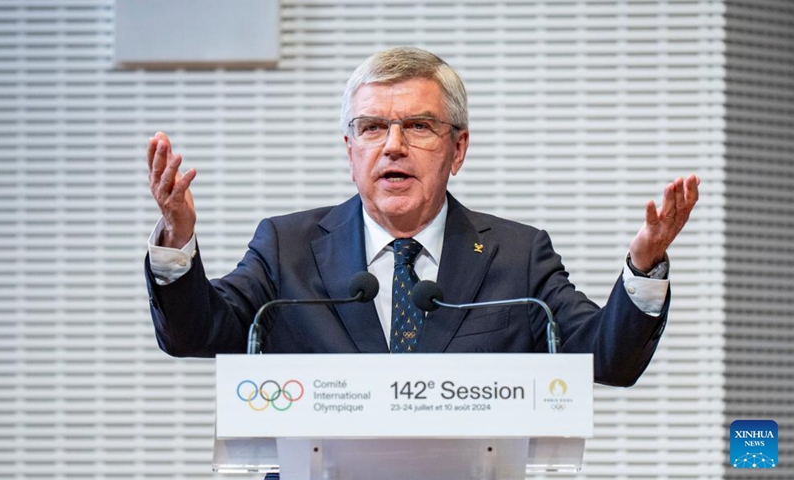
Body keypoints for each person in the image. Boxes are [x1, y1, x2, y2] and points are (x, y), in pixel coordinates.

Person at [144, 47, 699, 387]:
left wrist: (644, 266)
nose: (392, 146)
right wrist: (176, 237)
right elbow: (195, 332)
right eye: (372, 128)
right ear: (350, 149)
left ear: (457, 150)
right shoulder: (285, 247)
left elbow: (607, 359)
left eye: (418, 126)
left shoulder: (518, 256)